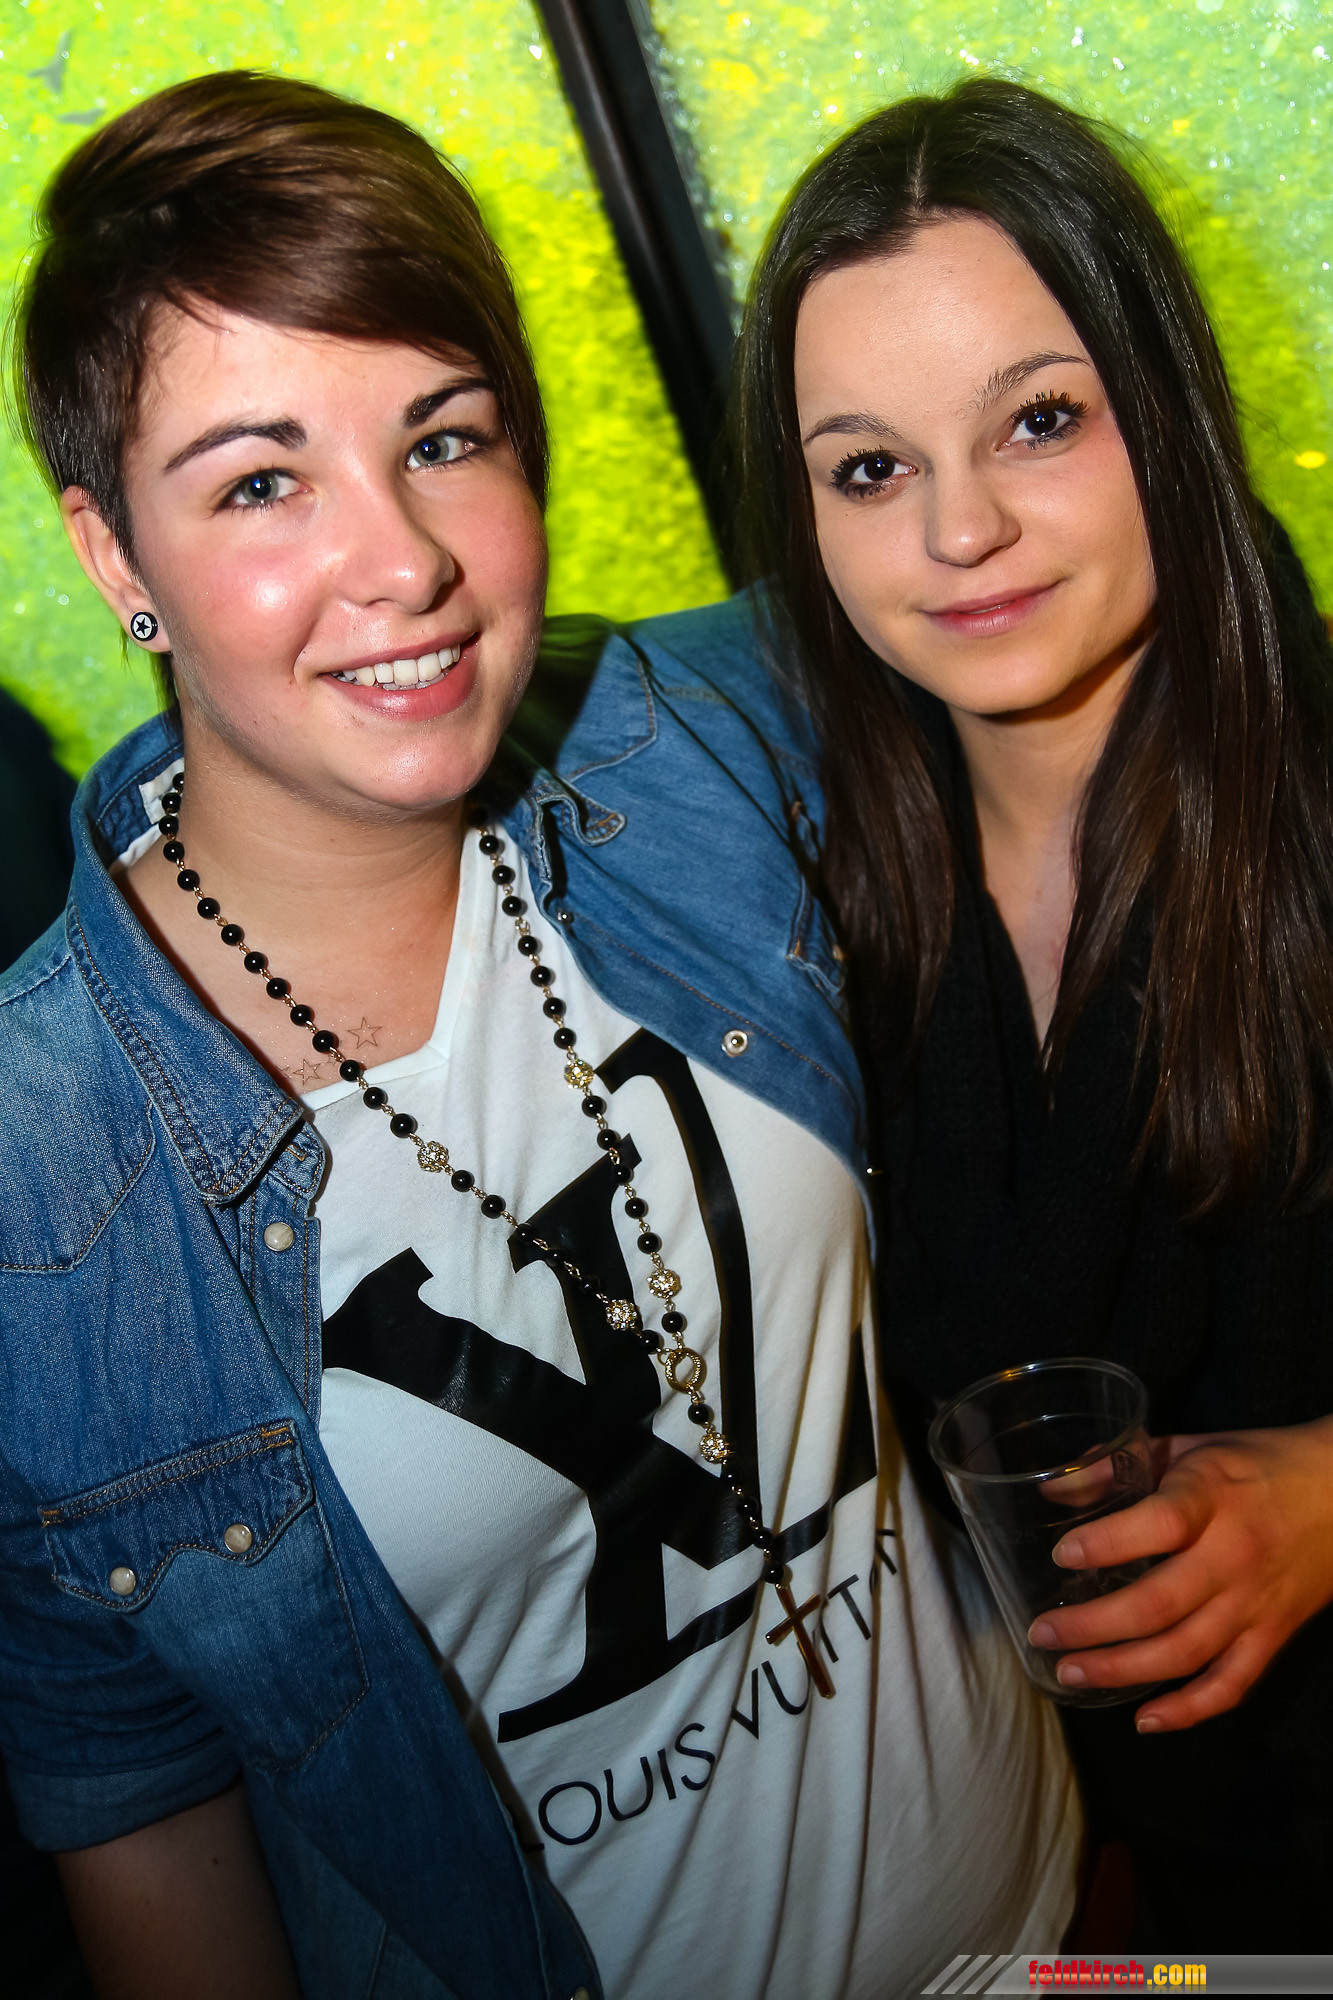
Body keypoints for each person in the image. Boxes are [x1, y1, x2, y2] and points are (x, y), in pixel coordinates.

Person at [0, 69, 1079, 2000]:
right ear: (112, 558)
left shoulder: (698, 751)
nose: (401, 561)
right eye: (260, 481)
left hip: (1066, 1932)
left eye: (443, 439)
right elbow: (138, 1805)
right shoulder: (41, 1195)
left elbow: (1124, 617)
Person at [722, 75, 1333, 1948]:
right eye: (869, 470)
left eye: (1039, 421)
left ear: (1167, 408)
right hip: (1120, 1880)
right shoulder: (796, 891)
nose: (960, 530)